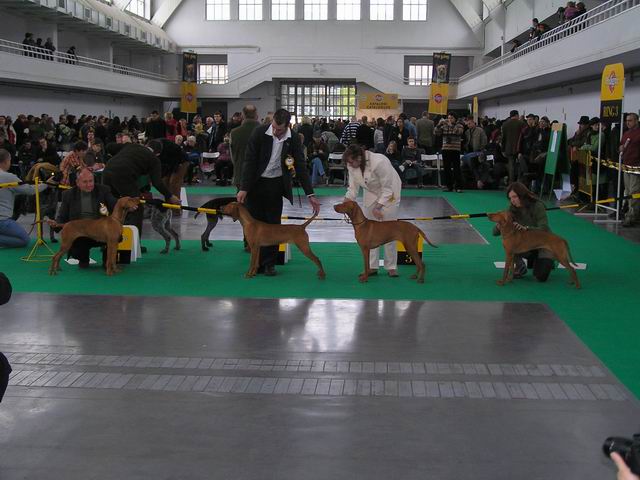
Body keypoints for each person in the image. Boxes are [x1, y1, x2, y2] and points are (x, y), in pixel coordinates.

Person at [237, 108, 320, 276]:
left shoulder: (293, 138)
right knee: (254, 224)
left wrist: (310, 194)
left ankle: (269, 264)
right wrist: (244, 188)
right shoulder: (259, 132)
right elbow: (249, 161)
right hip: (256, 184)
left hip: (276, 184)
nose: (275, 131)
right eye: (274, 127)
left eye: (279, 129)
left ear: (288, 126)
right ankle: (257, 265)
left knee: (274, 226)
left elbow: (300, 166)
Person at [102, 141, 180, 244]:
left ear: (146, 145)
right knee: (137, 207)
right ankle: (134, 244)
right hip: (124, 176)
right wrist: (170, 195)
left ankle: (106, 242)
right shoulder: (154, 159)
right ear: (158, 153)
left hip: (106, 172)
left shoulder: (131, 146)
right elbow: (157, 183)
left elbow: (109, 146)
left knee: (112, 206)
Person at [343, 143, 402, 277]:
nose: (349, 165)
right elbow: (352, 189)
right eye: (348, 163)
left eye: (351, 162)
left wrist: (378, 207)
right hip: (370, 192)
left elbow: (387, 189)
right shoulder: (351, 164)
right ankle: (372, 267)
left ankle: (391, 266)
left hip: (390, 192)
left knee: (389, 230)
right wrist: (345, 202)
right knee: (368, 231)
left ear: (359, 158)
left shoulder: (380, 161)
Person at [48, 168, 118, 268]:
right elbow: (62, 216)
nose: (89, 184)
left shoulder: (103, 190)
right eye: (85, 182)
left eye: (91, 181)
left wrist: (127, 206)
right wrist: (56, 223)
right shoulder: (68, 195)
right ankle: (83, 258)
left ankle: (108, 261)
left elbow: (115, 205)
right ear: (77, 182)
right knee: (77, 251)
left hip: (101, 231)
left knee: (116, 236)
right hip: (81, 232)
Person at [493, 182, 555, 281]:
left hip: (543, 243)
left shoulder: (538, 206)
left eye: (515, 197)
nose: (512, 200)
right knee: (510, 242)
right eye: (510, 198)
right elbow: (494, 233)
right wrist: (499, 224)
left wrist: (526, 228)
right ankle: (520, 266)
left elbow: (544, 228)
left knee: (541, 276)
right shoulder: (511, 209)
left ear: (522, 195)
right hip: (525, 244)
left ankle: (546, 260)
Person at [0, 149, 48, 248]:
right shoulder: (8, 177)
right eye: (10, 160)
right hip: (2, 220)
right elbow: (30, 190)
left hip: (3, 219)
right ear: (5, 161)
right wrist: (47, 184)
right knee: (24, 240)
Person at [230, 105, 260, 190]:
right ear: (256, 115)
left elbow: (233, 157)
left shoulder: (234, 133)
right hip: (260, 177)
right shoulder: (265, 131)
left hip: (240, 175)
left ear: (242, 115)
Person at [435, 112, 465, 192]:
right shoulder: (444, 126)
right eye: (448, 118)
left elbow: (458, 132)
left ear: (455, 119)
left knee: (456, 168)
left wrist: (451, 125)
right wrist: (439, 125)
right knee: (446, 168)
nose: (449, 119)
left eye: (451, 118)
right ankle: (449, 186)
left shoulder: (459, 125)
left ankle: (458, 187)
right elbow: (436, 133)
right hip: (445, 149)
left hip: (455, 150)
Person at [620, 112, 640, 227]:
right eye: (627, 121)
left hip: (636, 168)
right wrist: (620, 148)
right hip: (626, 166)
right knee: (628, 192)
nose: (628, 123)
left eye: (630, 120)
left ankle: (631, 217)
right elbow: (621, 147)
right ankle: (631, 214)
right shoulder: (626, 133)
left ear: (636, 121)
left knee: (634, 192)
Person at [501, 110, 525, 183]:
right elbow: (524, 136)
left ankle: (511, 182)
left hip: (508, 148)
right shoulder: (521, 123)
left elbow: (503, 138)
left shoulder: (505, 124)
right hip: (520, 148)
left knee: (511, 166)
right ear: (517, 115)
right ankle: (519, 182)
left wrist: (503, 149)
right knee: (520, 165)